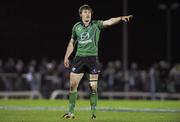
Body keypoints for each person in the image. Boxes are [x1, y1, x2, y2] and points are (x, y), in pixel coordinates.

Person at [63, 4, 133, 119]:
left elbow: (109, 22)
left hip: (92, 59)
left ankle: (93, 115)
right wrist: (66, 57)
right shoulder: (76, 27)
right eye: (85, 12)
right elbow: (72, 43)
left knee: (93, 88)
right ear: (80, 15)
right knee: (72, 86)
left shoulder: (96, 25)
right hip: (78, 59)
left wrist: (120, 18)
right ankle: (71, 113)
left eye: (89, 12)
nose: (87, 14)